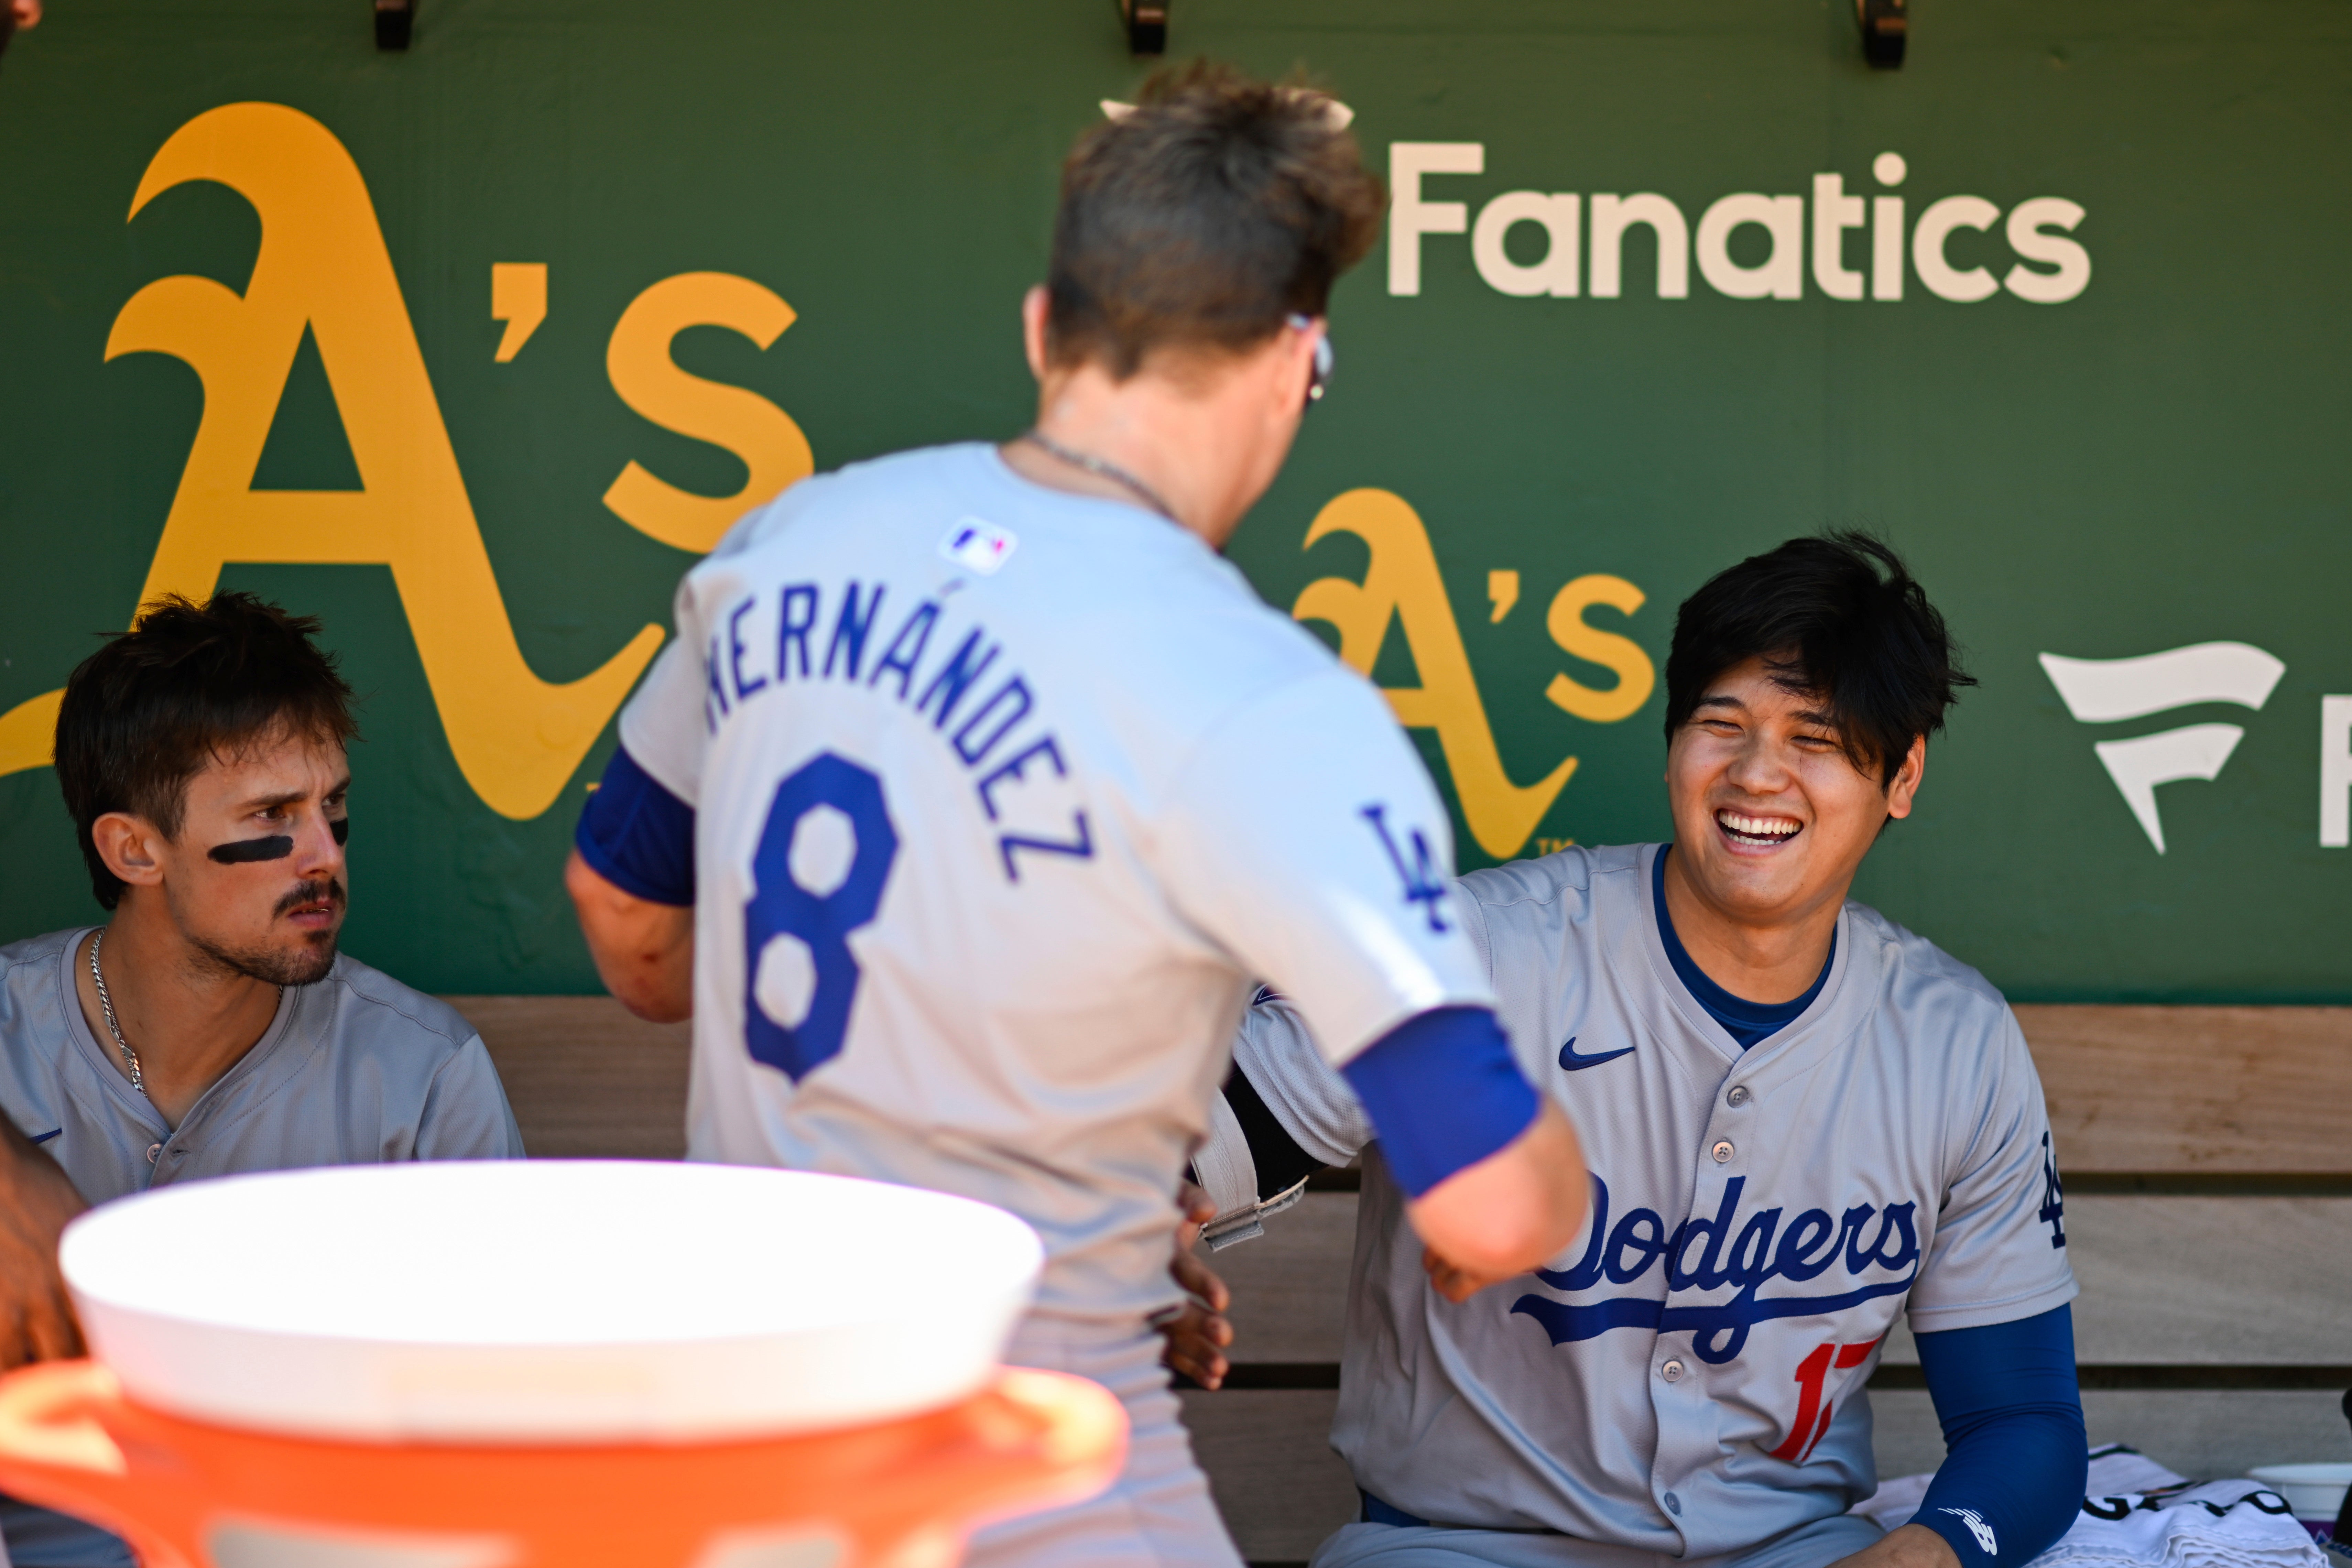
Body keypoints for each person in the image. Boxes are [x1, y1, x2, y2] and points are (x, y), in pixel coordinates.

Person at [565, 62, 1589, 1568]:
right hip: (1031, 1467)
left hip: (747, 1456)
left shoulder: (789, 540)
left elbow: (630, 931)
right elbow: (1495, 1213)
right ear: (1300, 360)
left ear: (1045, 330)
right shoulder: (1267, 699)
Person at [1182, 534, 2088, 1568]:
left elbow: (2023, 1423)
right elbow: (1192, 1143)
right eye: (1722, 724)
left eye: (1817, 738)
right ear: (1673, 743)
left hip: (1793, 1552)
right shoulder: (1476, 954)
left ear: (1903, 775)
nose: (1758, 774)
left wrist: (1932, 1552)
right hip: (1466, 1549)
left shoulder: (1956, 1045)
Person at [0, 592, 525, 1568]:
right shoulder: (10, 1024)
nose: (326, 857)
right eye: (272, 819)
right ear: (134, 849)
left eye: (334, 809)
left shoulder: (417, 1077)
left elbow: (499, 1426)